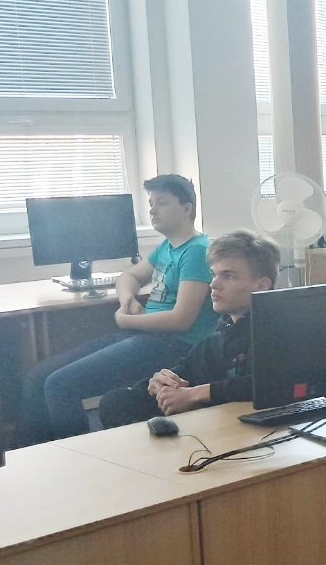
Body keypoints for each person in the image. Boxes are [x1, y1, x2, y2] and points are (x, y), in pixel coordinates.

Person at [17, 175, 218, 444]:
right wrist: (127, 301)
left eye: (161, 203)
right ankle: (31, 456)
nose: (152, 210)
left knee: (59, 385)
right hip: (144, 336)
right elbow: (128, 277)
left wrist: (126, 321)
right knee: (38, 376)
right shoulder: (167, 248)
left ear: (187, 208)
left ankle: (81, 458)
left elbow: (181, 320)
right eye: (151, 203)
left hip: (172, 345)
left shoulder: (196, 251)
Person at [95, 231, 279, 429]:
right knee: (116, 402)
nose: (214, 284)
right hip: (212, 422)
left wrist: (196, 394)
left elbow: (267, 384)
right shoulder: (217, 338)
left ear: (261, 285)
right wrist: (159, 382)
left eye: (228, 276)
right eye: (213, 275)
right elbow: (187, 369)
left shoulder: (276, 332)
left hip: (250, 430)